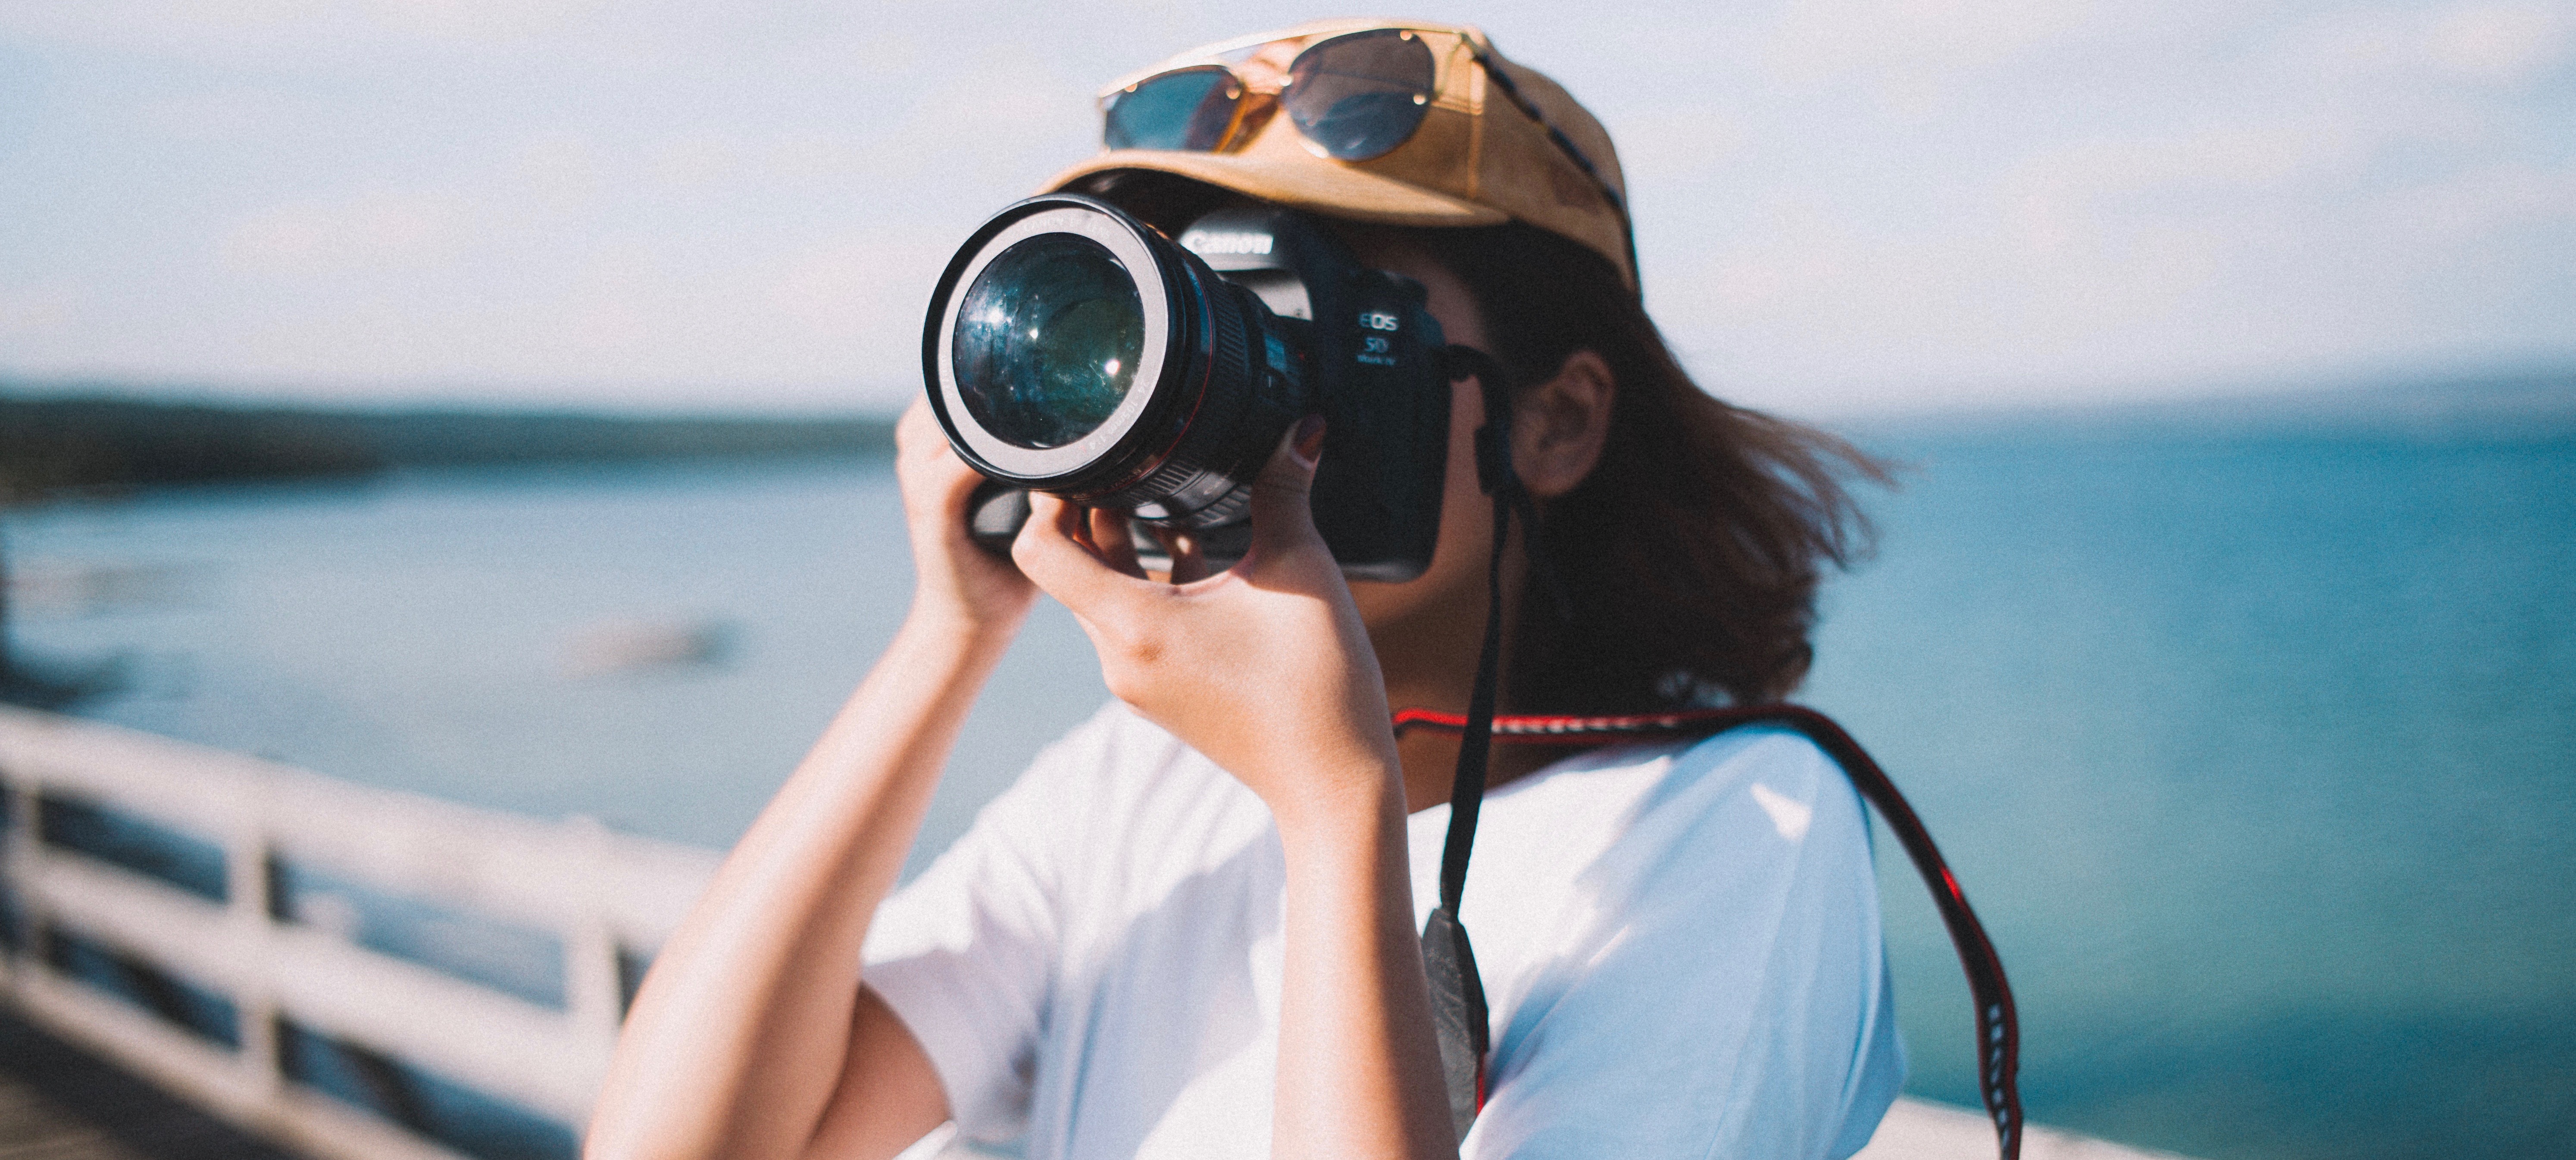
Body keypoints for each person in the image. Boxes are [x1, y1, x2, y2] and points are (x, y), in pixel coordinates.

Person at [588, 18, 1902, 1160]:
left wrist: (1336, 808)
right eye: (1206, 307)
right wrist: (949, 635)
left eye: (1323, 320)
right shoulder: (1140, 786)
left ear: (1555, 424)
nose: (1250, 397)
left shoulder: (1745, 830)